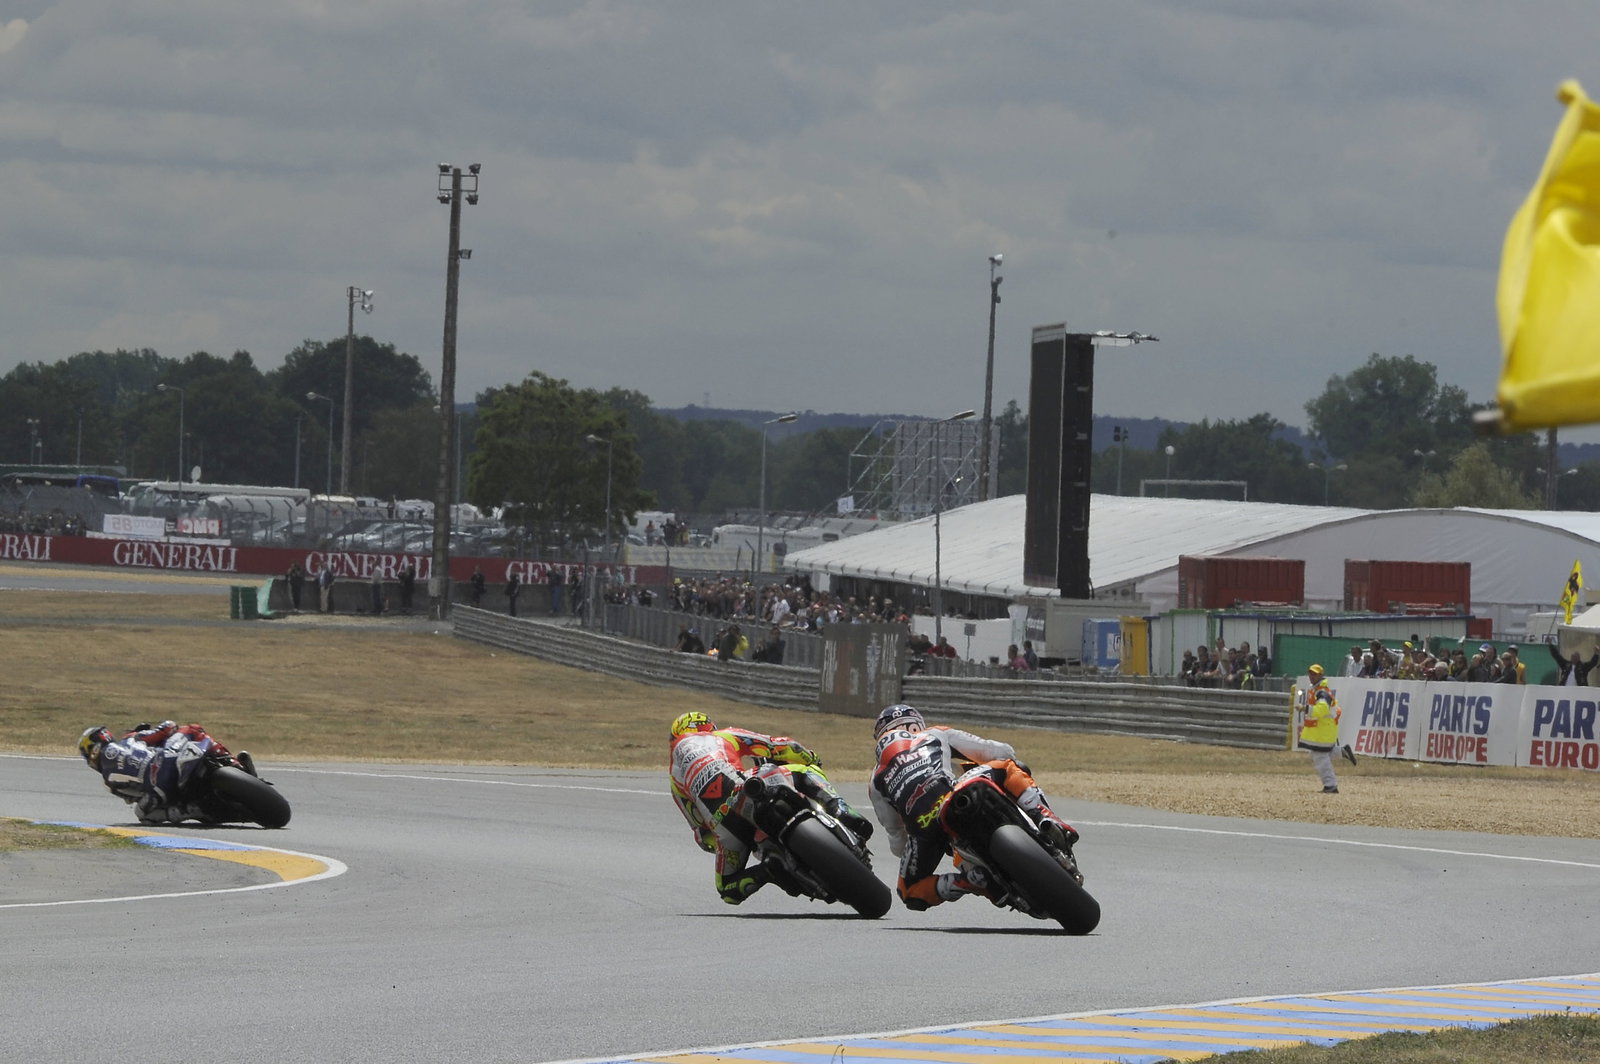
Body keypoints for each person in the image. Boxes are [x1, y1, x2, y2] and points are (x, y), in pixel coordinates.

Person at [869, 703, 1078, 911]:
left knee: (909, 890)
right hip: (956, 793)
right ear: (916, 725)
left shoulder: (875, 780)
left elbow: (897, 839)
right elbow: (999, 751)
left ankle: (968, 881)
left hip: (925, 829)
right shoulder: (934, 733)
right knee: (1009, 766)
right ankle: (1047, 818)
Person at [667, 712, 872, 905]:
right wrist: (811, 758)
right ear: (708, 727)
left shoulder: (675, 777)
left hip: (725, 826)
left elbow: (701, 833)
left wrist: (723, 844)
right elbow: (780, 746)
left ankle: (768, 870)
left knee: (727, 889)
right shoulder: (722, 736)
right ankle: (840, 808)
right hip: (746, 786)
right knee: (805, 771)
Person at [77, 721, 253, 825]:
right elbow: (168, 727)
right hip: (166, 761)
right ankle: (234, 762)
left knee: (142, 814)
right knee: (193, 728)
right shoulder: (130, 738)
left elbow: (133, 797)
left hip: (159, 794)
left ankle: (190, 811)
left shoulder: (108, 783)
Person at [1299, 685, 1344, 794]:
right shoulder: (1317, 691)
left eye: (1314, 674)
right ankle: (1341, 751)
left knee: (1319, 756)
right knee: (1317, 754)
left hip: (1324, 729)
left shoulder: (1322, 693)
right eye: (1310, 673)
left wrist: (1305, 708)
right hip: (1323, 729)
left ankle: (1330, 785)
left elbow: (1322, 709)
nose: (1311, 676)